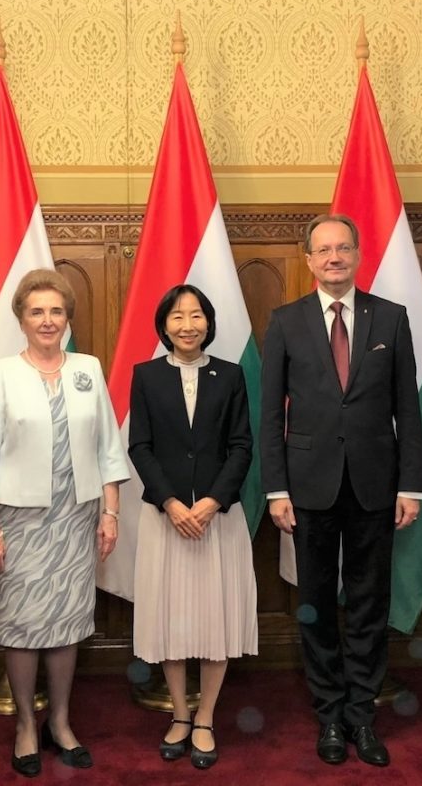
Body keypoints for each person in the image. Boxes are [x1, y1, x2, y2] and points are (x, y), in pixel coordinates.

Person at [260, 215, 422, 768]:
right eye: (323, 250)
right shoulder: (285, 321)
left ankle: (362, 715)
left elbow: (409, 409)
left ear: (357, 254)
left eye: (343, 248)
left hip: (376, 486)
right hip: (307, 487)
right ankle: (329, 714)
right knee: (314, 606)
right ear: (308, 259)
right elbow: (270, 414)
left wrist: (411, 485)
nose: (334, 257)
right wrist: (275, 489)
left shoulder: (391, 318)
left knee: (369, 605)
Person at [0, 268, 129, 777]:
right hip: (17, 521)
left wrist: (110, 513)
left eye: (56, 311)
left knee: (66, 622)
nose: (47, 320)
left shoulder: (88, 368)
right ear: (21, 319)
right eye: (37, 311)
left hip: (76, 517)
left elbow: (107, 447)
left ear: (68, 318)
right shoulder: (0, 374)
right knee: (21, 624)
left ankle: (59, 722)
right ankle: (25, 727)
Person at [129, 284, 258, 770]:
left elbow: (242, 445)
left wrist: (211, 501)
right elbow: (140, 446)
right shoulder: (146, 376)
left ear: (209, 322)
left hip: (216, 519)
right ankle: (180, 713)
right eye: (178, 316)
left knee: (214, 616)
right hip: (166, 519)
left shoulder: (231, 375)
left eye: (196, 315)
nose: (188, 325)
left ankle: (205, 717)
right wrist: (170, 502)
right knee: (172, 617)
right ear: (164, 325)